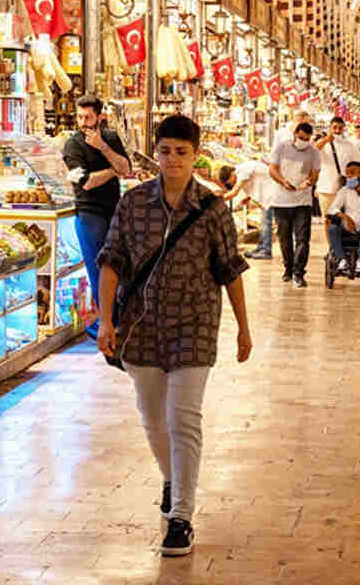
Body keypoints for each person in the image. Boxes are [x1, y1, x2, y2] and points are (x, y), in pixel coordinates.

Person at [95, 114, 252, 558]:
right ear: (157, 152)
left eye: (181, 152)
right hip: (141, 325)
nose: (172, 160)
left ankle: (181, 515)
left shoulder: (213, 208)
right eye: (165, 152)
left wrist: (243, 327)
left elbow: (230, 269)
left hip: (195, 323)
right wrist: (106, 321)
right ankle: (171, 479)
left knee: (184, 417)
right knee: (151, 416)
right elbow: (111, 261)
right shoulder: (133, 205)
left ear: (195, 155)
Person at [63, 95, 132, 339]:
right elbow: (87, 182)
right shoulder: (72, 145)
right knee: (98, 268)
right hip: (89, 213)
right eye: (80, 117)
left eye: (88, 117)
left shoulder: (111, 139)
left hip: (114, 211)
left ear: (99, 117)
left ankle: (116, 321)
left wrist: (103, 148)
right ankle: (105, 326)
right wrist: (113, 171)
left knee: (117, 267)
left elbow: (127, 168)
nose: (83, 122)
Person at [267, 121, 319, 288]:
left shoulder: (313, 152)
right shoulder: (282, 147)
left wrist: (310, 182)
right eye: (301, 137)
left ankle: (299, 272)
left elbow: (315, 173)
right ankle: (288, 269)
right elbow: (272, 169)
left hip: (303, 201)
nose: (303, 141)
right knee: (284, 238)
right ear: (295, 134)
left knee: (303, 238)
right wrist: (283, 182)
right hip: (281, 200)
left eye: (307, 139)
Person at [221, 158, 274, 259]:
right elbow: (256, 181)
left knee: (266, 223)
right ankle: (261, 248)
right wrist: (247, 198)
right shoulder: (244, 168)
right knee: (264, 223)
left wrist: (216, 200)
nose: (231, 184)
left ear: (232, 174)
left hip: (270, 195)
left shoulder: (242, 170)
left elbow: (234, 192)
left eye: (230, 182)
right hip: (267, 195)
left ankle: (266, 251)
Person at [315, 115, 360, 220]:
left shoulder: (350, 145)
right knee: (327, 219)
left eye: (340, 128)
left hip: (345, 188)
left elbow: (357, 164)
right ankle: (329, 237)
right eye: (334, 127)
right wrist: (326, 140)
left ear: (344, 129)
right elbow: (313, 151)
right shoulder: (323, 143)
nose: (337, 130)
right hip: (326, 188)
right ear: (330, 128)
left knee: (344, 219)